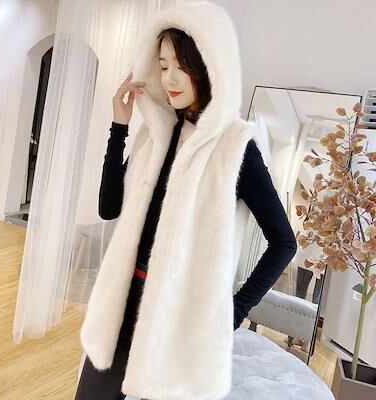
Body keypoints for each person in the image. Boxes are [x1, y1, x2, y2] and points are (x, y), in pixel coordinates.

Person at [77, 3, 297, 400]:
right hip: (121, 305)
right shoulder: (156, 133)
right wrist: (119, 127)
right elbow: (109, 208)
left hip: (174, 319)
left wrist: (232, 312)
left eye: (183, 65)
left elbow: (284, 242)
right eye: (163, 66)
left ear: (210, 66)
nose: (171, 78)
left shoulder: (235, 147)